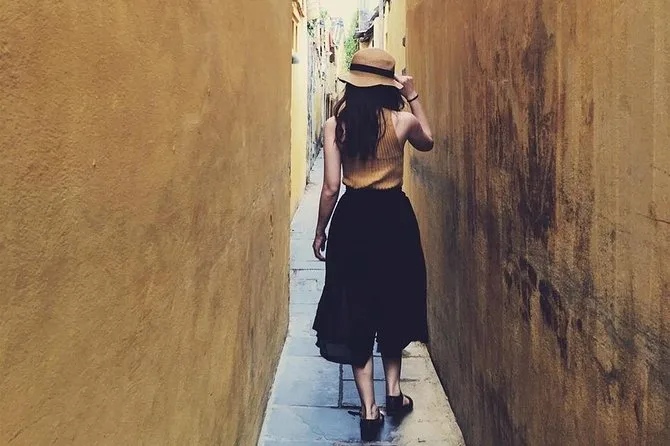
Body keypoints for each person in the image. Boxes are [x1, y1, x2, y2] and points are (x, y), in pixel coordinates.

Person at [311, 48, 434, 441]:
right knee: (392, 300)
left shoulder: (337, 126)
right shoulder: (403, 121)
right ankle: (394, 393)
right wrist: (413, 95)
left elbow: (331, 188)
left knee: (357, 306)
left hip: (353, 222)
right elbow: (428, 141)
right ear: (388, 86)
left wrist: (320, 231)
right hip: (394, 220)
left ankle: (368, 411)